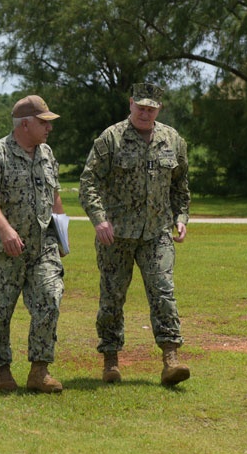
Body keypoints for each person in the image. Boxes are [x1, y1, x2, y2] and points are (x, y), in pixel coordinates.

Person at [78, 83, 192, 386]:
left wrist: (181, 217)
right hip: (116, 236)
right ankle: (111, 360)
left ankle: (171, 358)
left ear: (159, 109)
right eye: (140, 107)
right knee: (112, 298)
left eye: (151, 108)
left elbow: (180, 186)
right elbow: (89, 182)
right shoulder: (111, 138)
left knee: (163, 291)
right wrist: (99, 220)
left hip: (156, 233)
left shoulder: (173, 141)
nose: (145, 112)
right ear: (131, 104)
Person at [0, 95, 66, 393]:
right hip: (5, 249)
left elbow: (54, 195)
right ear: (25, 124)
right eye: (44, 123)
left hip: (42, 248)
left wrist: (61, 232)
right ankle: (1, 371)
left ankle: (39, 371)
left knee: (50, 300)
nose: (48, 129)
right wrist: (5, 230)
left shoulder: (46, 153)